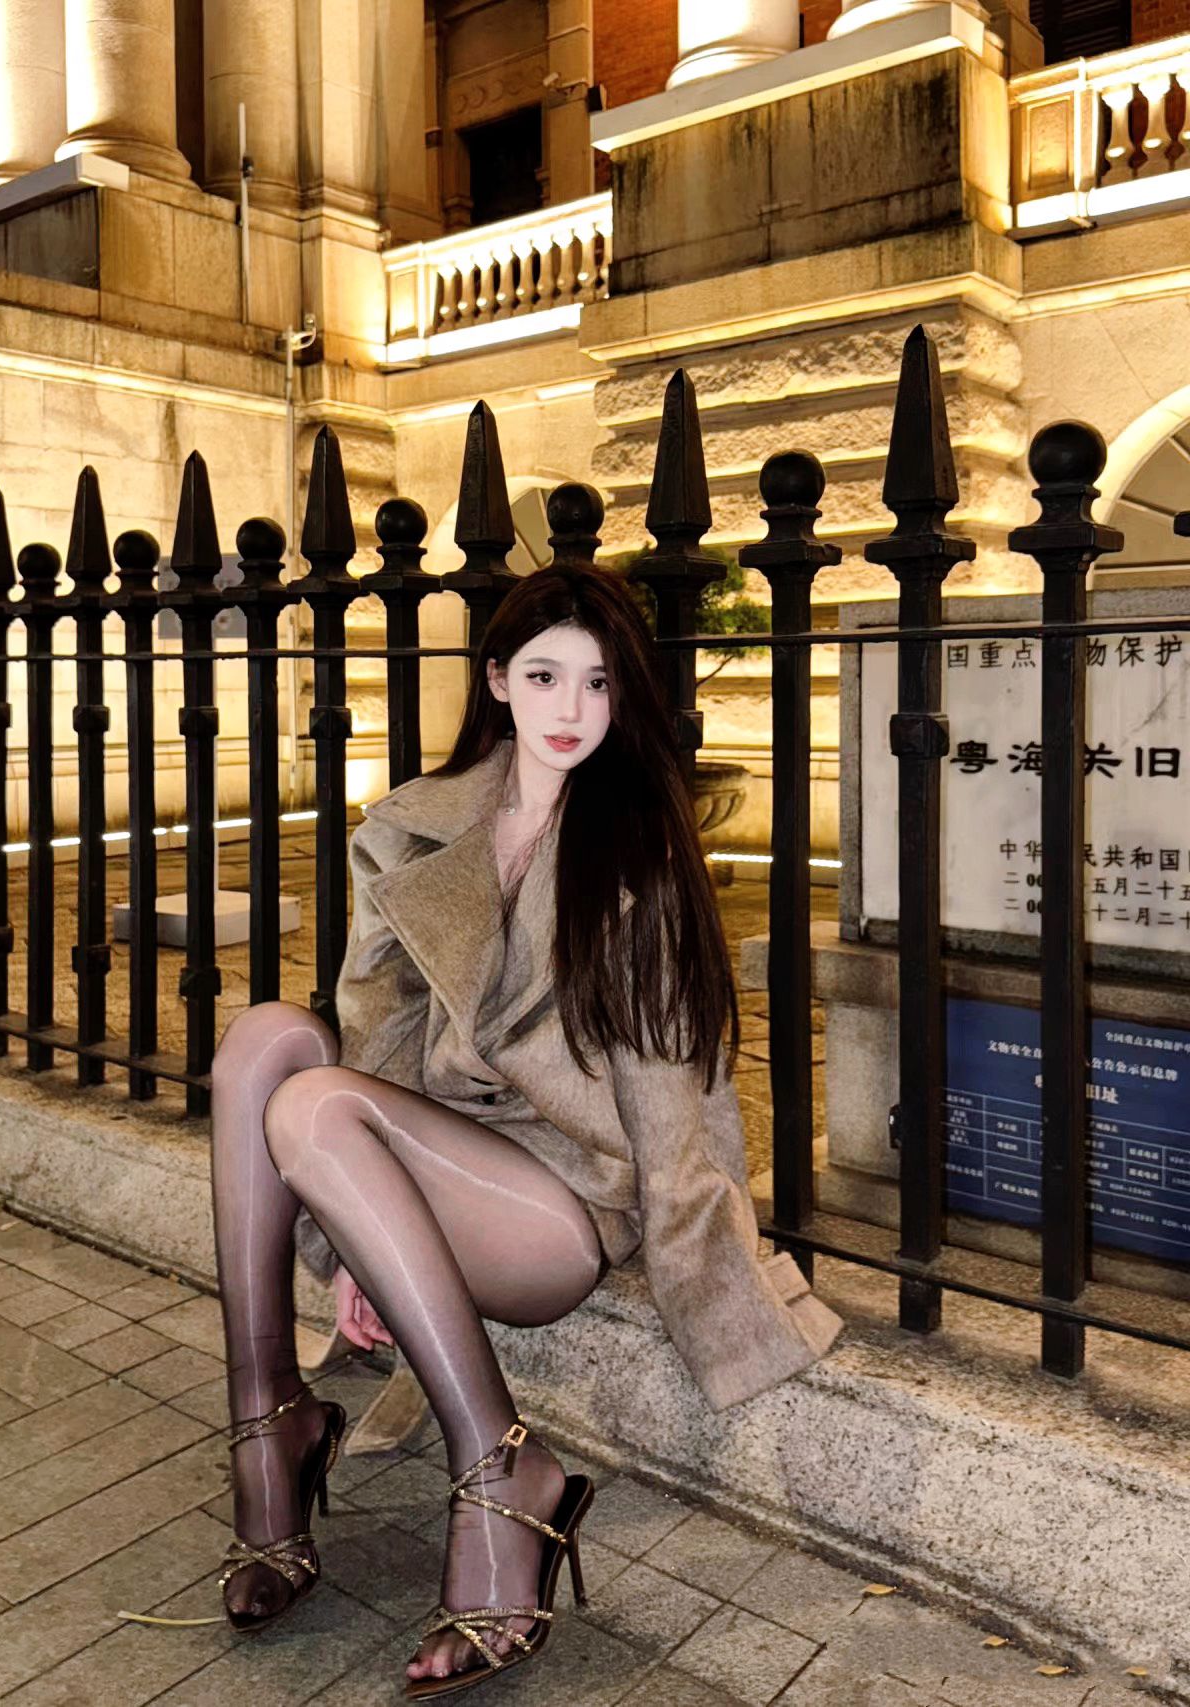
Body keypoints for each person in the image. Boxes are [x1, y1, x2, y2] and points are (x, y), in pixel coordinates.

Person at [208, 561, 845, 1696]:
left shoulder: (637, 851)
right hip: (438, 1165)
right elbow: (378, 1033)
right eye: (545, 677)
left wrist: (716, 1285)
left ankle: (502, 1468)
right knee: (268, 1040)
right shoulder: (417, 828)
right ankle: (271, 1416)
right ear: (497, 680)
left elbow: (673, 1096)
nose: (570, 709)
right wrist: (358, 1237)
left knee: (310, 1100)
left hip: (556, 1207)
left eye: (598, 684)